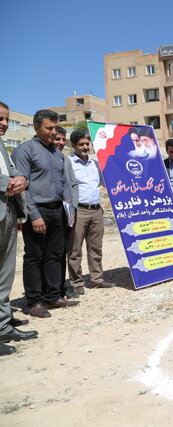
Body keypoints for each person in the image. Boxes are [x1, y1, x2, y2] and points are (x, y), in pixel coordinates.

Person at [11, 110, 79, 317]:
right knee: (35, 256)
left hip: (58, 210)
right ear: (36, 127)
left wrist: (69, 209)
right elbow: (22, 187)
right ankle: (34, 301)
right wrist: (33, 215)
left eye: (54, 128)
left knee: (56, 254)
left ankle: (53, 296)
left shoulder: (56, 153)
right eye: (48, 128)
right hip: (37, 210)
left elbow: (64, 183)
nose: (53, 132)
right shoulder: (25, 150)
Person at [0, 102, 38, 355]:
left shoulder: (1, 144)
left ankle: (3, 325)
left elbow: (13, 169)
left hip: (8, 212)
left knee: (5, 272)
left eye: (6, 119)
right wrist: (7, 182)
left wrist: (20, 177)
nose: (4, 123)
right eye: (1, 119)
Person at [66, 130, 115, 294]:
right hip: (78, 211)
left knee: (96, 247)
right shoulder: (68, 163)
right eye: (81, 144)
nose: (85, 147)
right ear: (73, 145)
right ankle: (77, 282)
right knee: (75, 249)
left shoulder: (95, 164)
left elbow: (106, 183)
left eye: (87, 144)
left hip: (96, 210)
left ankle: (97, 278)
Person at [53, 126, 80, 299]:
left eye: (63, 140)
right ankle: (47, 291)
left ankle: (61, 287)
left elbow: (73, 186)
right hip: (48, 212)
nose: (61, 143)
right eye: (57, 139)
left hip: (66, 213)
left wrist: (73, 209)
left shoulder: (65, 160)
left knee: (62, 251)